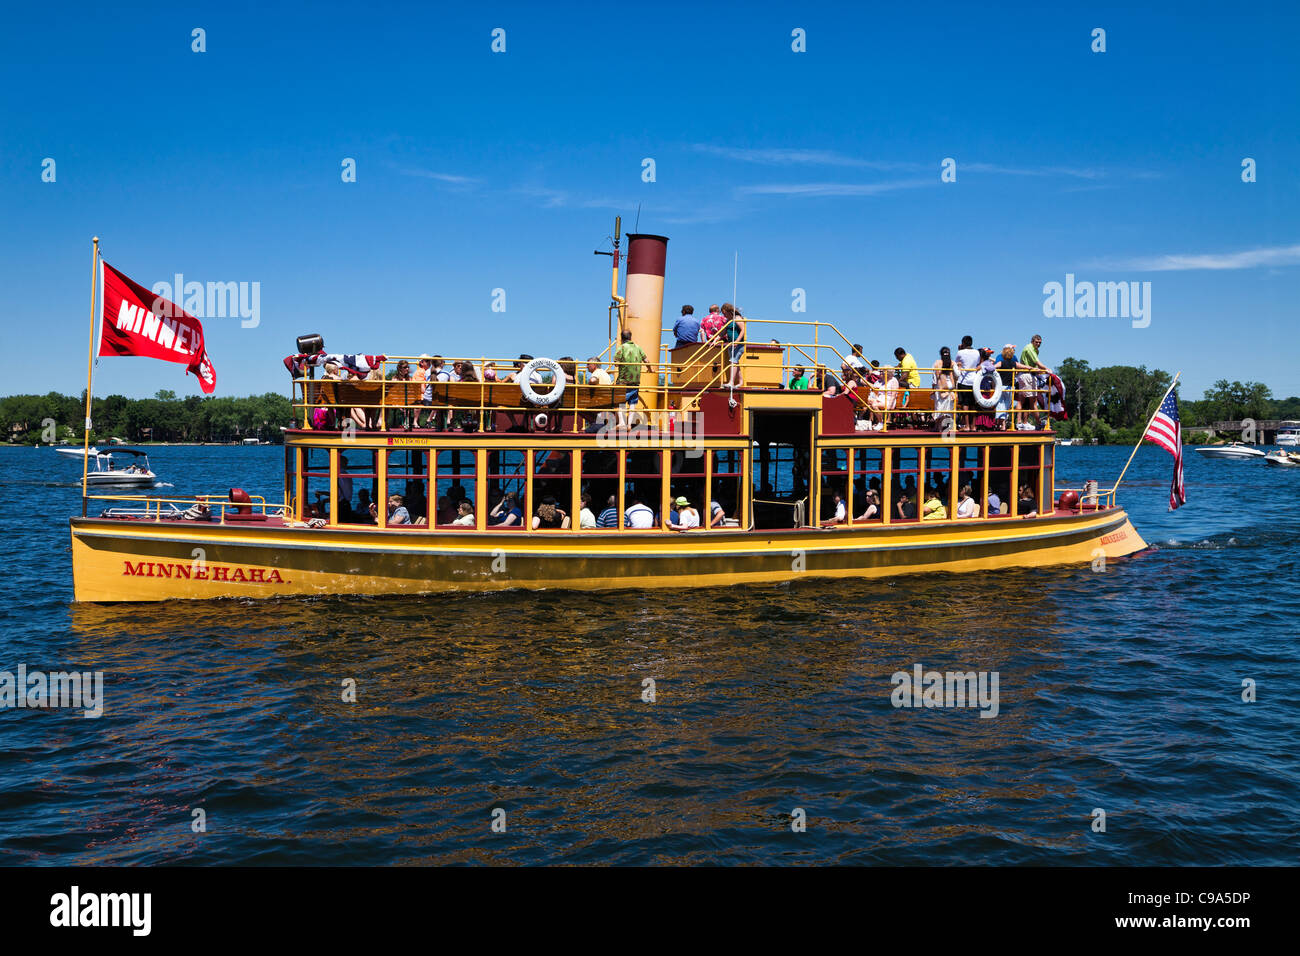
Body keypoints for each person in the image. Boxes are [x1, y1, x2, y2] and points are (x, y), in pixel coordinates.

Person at [613, 329, 654, 426]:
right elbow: (647, 361)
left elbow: (616, 363)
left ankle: (622, 423)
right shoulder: (638, 348)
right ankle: (630, 423)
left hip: (623, 380)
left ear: (622, 338)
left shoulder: (621, 348)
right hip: (635, 380)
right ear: (630, 337)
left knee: (620, 402)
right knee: (632, 403)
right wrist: (650, 370)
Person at [996, 344, 1034, 426]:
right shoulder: (1014, 364)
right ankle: (1003, 425)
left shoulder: (1000, 363)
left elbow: (993, 367)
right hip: (1010, 387)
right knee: (1007, 406)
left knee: (1000, 405)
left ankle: (999, 424)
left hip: (1001, 387)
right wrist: (1034, 368)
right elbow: (1025, 367)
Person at [1020, 334, 1050, 427]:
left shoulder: (1035, 349)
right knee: (1033, 402)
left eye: (1040, 342)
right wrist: (1046, 369)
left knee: (1027, 402)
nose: (1038, 344)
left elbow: (1035, 364)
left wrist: (1039, 372)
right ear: (1032, 341)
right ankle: (1039, 423)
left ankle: (1024, 423)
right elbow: (1037, 362)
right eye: (1036, 342)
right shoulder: (1030, 348)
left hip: (1028, 375)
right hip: (1027, 375)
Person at [954, 335, 980, 429]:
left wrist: (959, 349)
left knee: (965, 404)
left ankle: (967, 425)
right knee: (973, 404)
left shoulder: (960, 352)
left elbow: (956, 363)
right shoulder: (977, 352)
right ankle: (973, 426)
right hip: (974, 380)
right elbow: (977, 363)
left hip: (963, 380)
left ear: (963, 343)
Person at [720, 304, 745, 387]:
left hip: (738, 345)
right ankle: (741, 382)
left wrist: (737, 341)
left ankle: (731, 382)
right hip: (731, 345)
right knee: (735, 362)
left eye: (724, 313)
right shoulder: (728, 321)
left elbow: (743, 330)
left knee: (733, 361)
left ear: (729, 311)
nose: (724, 315)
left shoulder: (737, 318)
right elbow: (722, 333)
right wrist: (715, 339)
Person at [932, 347, 957, 427]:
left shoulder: (937, 363)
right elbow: (957, 374)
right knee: (949, 408)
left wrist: (933, 387)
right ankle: (948, 426)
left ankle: (938, 427)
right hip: (950, 387)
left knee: (939, 407)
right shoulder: (953, 363)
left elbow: (934, 378)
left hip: (940, 387)